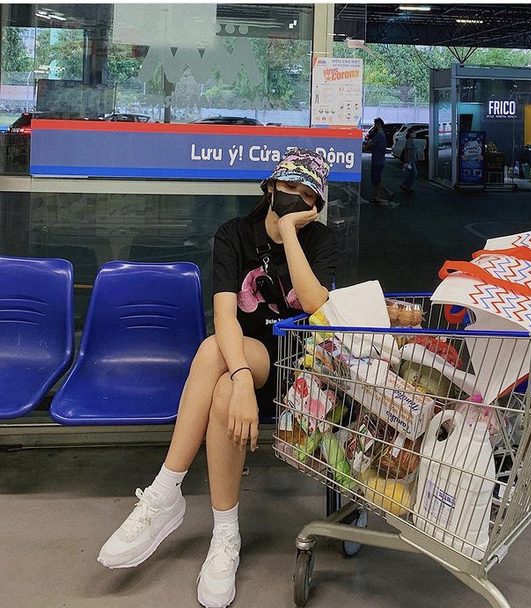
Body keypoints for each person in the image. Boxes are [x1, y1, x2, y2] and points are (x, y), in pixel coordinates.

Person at [97, 149, 339, 608]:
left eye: (307, 195)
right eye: (289, 187)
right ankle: (217, 530)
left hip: (300, 369)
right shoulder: (234, 234)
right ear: (271, 187)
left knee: (220, 367)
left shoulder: (322, 241)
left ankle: (171, 496)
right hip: (243, 359)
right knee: (220, 367)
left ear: (315, 206)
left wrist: (290, 232)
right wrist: (243, 378)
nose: (296, 197)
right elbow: (225, 315)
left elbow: (313, 305)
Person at [368, 117, 394, 203]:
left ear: (378, 124)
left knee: (376, 181)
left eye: (375, 124)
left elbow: (371, 145)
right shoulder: (381, 134)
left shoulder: (379, 135)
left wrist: (362, 147)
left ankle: (389, 192)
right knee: (377, 180)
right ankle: (377, 197)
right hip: (380, 160)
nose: (374, 126)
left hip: (377, 160)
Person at [401, 129, 418, 194]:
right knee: (414, 174)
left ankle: (406, 185)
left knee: (412, 174)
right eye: (414, 133)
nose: (415, 134)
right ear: (410, 134)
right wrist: (406, 160)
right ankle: (407, 186)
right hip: (410, 161)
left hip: (412, 160)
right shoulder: (409, 141)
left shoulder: (412, 140)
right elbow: (407, 151)